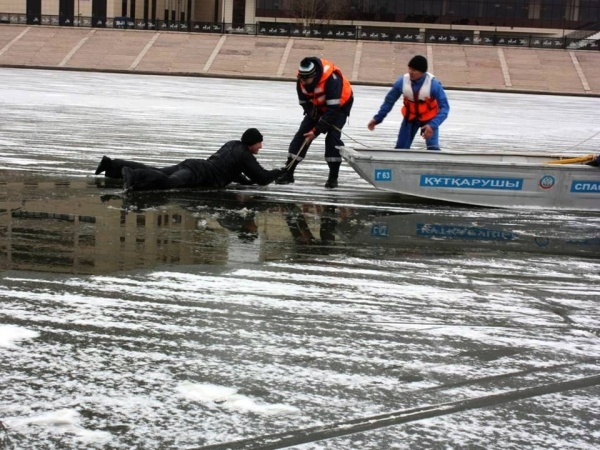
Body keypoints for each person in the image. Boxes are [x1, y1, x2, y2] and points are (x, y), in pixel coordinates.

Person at [94, 128, 283, 191]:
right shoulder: (244, 155)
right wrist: (281, 171)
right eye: (259, 143)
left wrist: (243, 182)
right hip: (198, 174)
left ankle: (112, 165)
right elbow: (262, 178)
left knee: (158, 171)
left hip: (195, 165)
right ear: (252, 143)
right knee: (169, 183)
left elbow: (227, 169)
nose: (261, 146)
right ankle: (132, 175)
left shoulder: (233, 144)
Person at [276, 56, 354, 189]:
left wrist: (316, 130)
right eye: (301, 79)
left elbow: (333, 110)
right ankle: (289, 172)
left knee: (332, 138)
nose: (303, 82)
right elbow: (304, 102)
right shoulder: (301, 80)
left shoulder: (332, 80)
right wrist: (313, 116)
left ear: (315, 75)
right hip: (317, 106)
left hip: (339, 107)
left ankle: (332, 178)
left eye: (306, 79)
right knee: (302, 134)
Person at [367, 55, 450, 150]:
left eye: (414, 70)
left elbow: (445, 108)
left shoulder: (434, 85)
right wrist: (377, 119)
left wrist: (433, 125)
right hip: (410, 118)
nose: (411, 72)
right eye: (409, 69)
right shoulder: (401, 82)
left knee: (433, 148)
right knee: (401, 148)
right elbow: (389, 102)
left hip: (429, 120)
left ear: (422, 72)